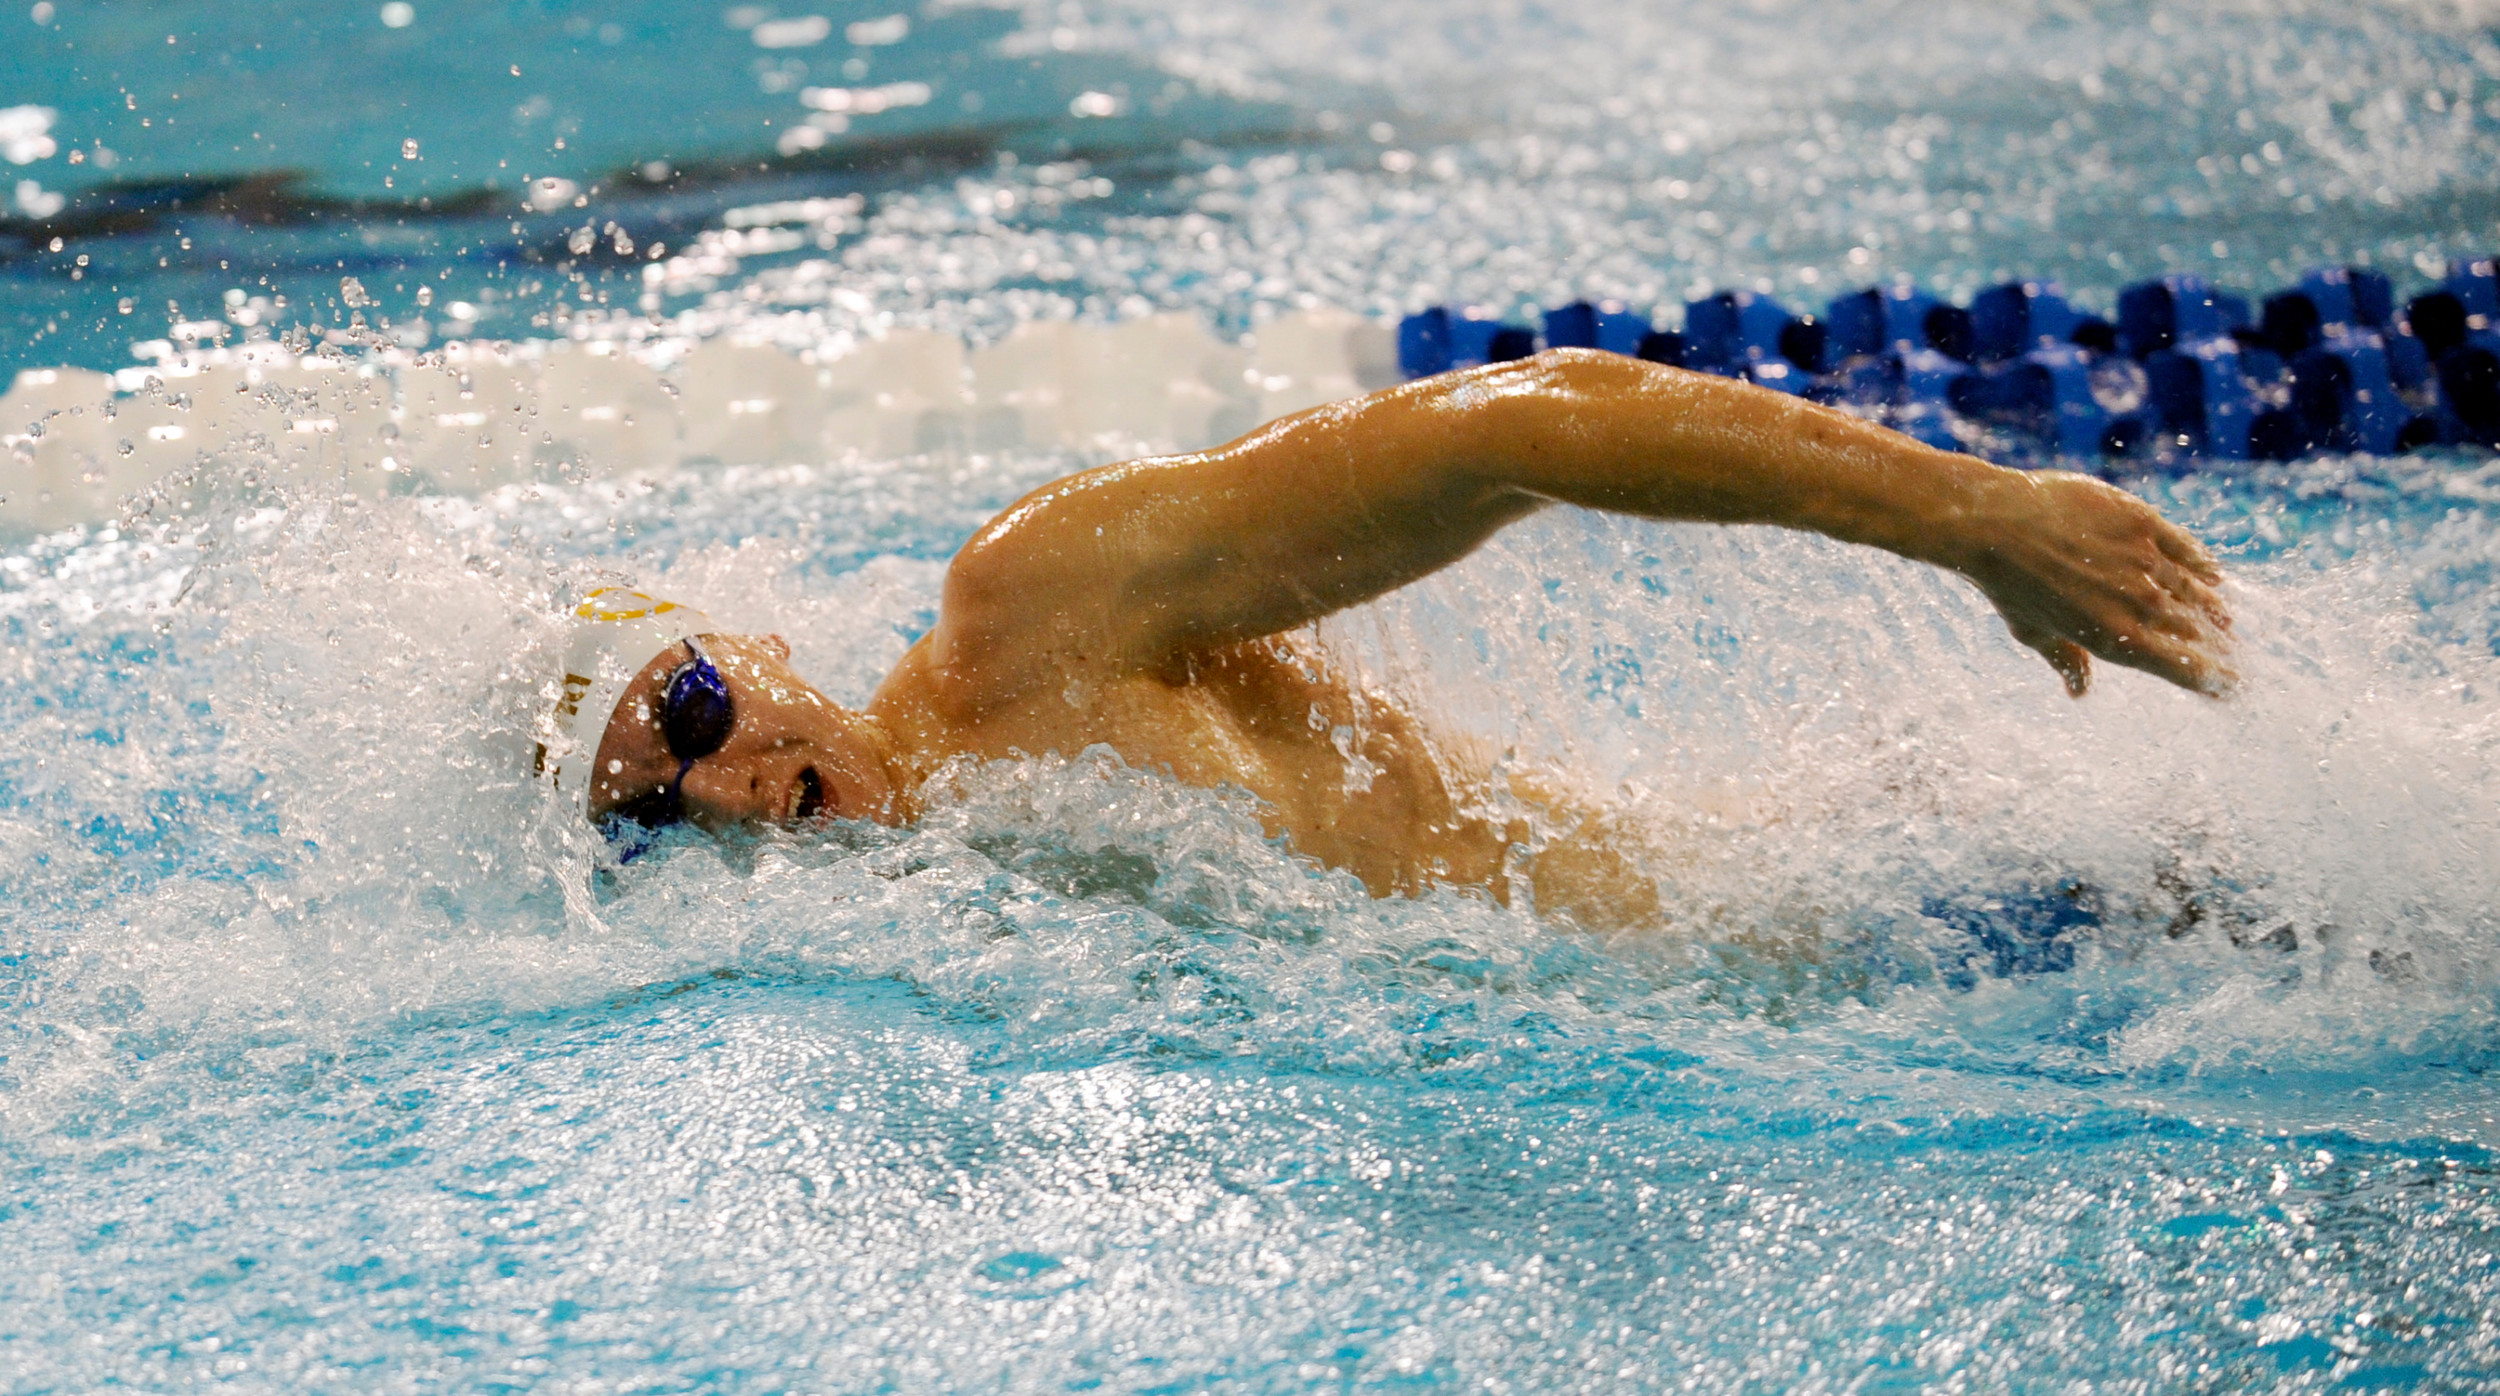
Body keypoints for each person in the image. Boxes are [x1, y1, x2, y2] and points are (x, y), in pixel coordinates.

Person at [542, 349, 2233, 926]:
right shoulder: (942, 927)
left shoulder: (1034, 616)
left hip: (1931, 917)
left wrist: (1972, 519)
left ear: (755, 642)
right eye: (654, 809)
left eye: (692, 713)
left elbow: (1514, 426)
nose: (727, 788)